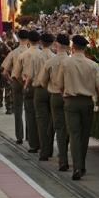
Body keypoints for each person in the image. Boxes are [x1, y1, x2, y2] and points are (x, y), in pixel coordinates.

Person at [58, 34, 99, 180]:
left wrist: (65, 95)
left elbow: (59, 85)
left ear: (73, 47)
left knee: (74, 135)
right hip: (87, 102)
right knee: (85, 135)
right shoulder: (92, 65)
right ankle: (82, 165)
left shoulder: (66, 63)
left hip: (71, 102)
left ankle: (77, 167)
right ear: (85, 48)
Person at [37, 33, 70, 171]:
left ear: (56, 45)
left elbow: (42, 82)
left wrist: (51, 87)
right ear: (68, 46)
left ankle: (62, 159)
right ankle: (65, 155)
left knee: (58, 127)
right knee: (69, 129)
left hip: (55, 96)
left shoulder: (50, 62)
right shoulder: (71, 61)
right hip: (70, 97)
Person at [2, 29, 29, 144]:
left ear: (17, 38)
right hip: (29, 83)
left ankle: (19, 136)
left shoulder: (13, 52)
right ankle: (30, 135)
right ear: (28, 39)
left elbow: (4, 71)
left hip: (16, 82)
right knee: (30, 110)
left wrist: (10, 81)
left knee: (17, 110)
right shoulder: (32, 52)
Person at [21, 30, 46, 153]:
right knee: (42, 117)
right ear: (39, 40)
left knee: (30, 116)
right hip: (44, 87)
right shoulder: (43, 54)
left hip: (30, 85)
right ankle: (43, 144)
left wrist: (25, 85)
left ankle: (33, 144)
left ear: (29, 41)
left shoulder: (24, 54)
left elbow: (25, 73)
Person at [33, 33, 55, 161]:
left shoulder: (36, 56)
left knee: (42, 121)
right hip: (52, 89)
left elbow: (30, 73)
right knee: (52, 121)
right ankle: (50, 149)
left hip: (40, 89)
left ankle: (44, 151)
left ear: (41, 42)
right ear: (52, 43)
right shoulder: (54, 56)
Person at [0, 36, 13, 114]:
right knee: (13, 89)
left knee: (6, 89)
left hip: (5, 70)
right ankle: (13, 107)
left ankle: (8, 108)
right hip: (14, 71)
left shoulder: (2, 47)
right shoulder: (16, 46)